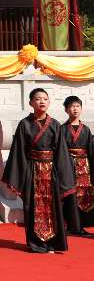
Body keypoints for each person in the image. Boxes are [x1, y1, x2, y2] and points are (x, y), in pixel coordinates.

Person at [2, 88, 75, 253]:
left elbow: (61, 153)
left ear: (49, 102)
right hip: (32, 170)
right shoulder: (24, 124)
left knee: (53, 207)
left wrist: (63, 177)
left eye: (45, 98)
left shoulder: (55, 125)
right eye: (37, 98)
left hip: (51, 172)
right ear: (30, 103)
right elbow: (19, 152)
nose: (42, 101)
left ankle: (53, 243)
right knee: (32, 207)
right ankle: (36, 244)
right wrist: (21, 176)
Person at [60, 95, 94, 236]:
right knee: (69, 194)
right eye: (72, 106)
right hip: (67, 165)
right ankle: (71, 225)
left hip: (84, 166)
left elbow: (91, 150)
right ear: (66, 110)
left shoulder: (86, 129)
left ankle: (81, 225)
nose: (75, 109)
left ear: (81, 109)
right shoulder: (61, 129)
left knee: (84, 195)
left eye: (77, 106)